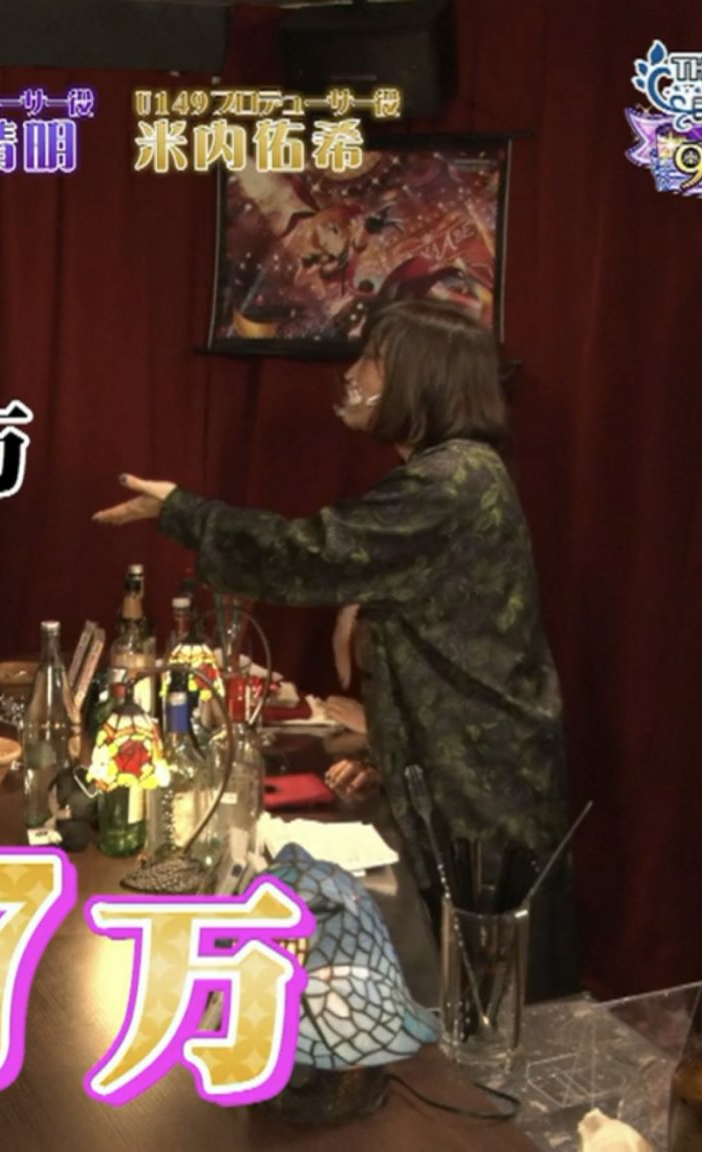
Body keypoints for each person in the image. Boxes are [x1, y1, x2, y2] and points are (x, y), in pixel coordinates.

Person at [93, 298, 579, 1000]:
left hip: (482, 788)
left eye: (372, 360)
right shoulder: (455, 472)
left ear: (420, 379)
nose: (353, 375)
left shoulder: (452, 480)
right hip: (463, 771)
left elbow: (310, 554)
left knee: (490, 991)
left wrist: (181, 510)